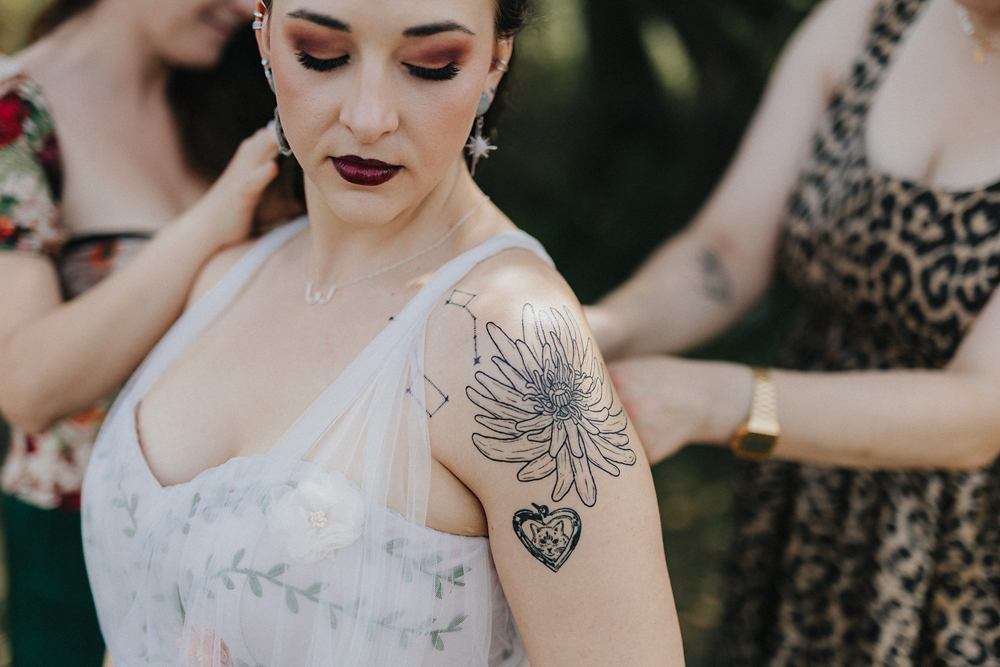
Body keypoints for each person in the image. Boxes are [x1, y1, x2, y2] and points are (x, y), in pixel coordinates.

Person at [80, 0, 685, 665]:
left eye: (430, 65)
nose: (369, 118)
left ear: (494, 62)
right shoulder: (224, 277)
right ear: (265, 36)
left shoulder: (515, 344)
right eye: (321, 55)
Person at [586, 0, 1000, 663]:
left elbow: (981, 410)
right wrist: (592, 329)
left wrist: (718, 400)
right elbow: (725, 253)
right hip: (804, 499)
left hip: (963, 541)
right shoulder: (868, 17)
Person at [0, 0, 302, 663]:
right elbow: (24, 385)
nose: (245, 6)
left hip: (250, 545)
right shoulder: (14, 111)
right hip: (83, 549)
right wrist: (210, 223)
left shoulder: (238, 97)